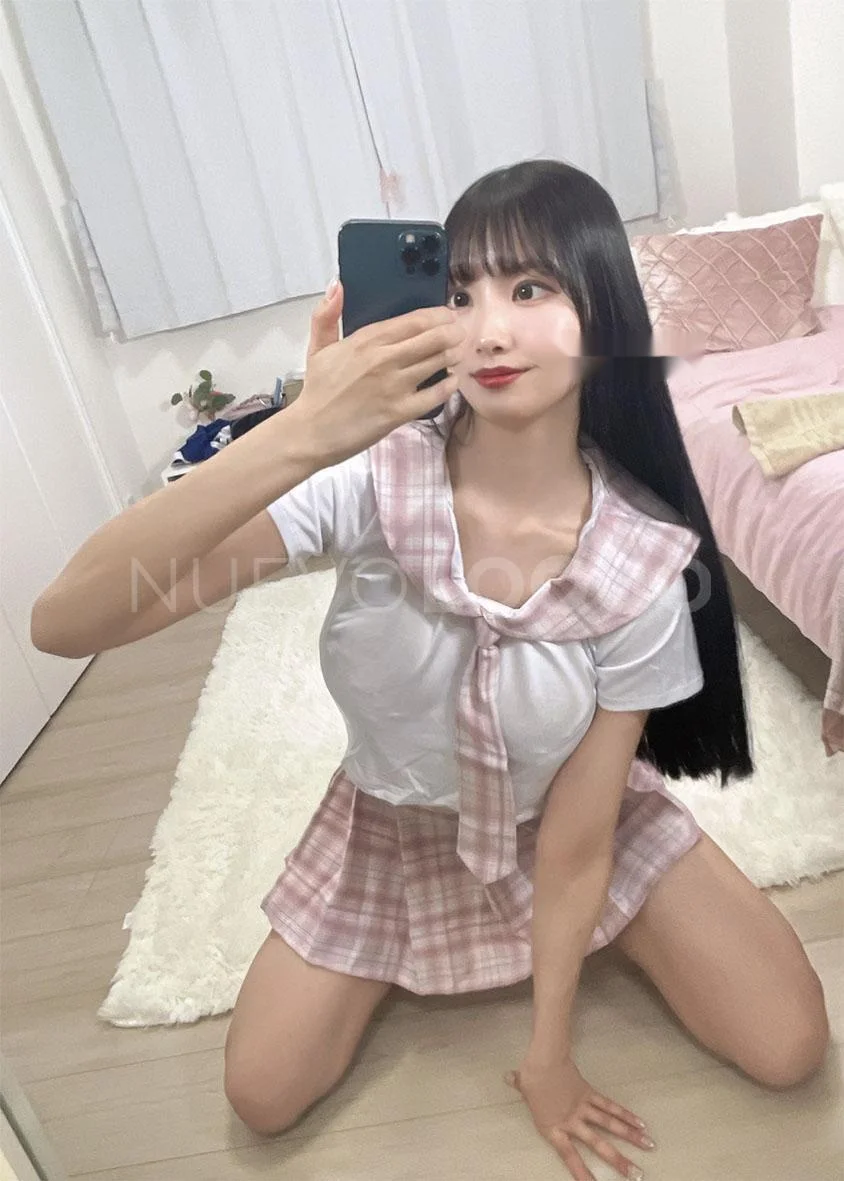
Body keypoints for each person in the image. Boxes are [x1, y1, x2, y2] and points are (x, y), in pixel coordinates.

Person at [32, 160, 829, 1181]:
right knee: (263, 1091)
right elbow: (70, 620)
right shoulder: (370, 482)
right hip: (396, 829)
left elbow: (578, 840)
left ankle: (605, 931)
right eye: (459, 293)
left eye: (529, 288)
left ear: (601, 310)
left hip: (569, 824)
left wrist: (548, 1056)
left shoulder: (639, 559)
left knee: (788, 1042)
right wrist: (300, 434)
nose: (486, 329)